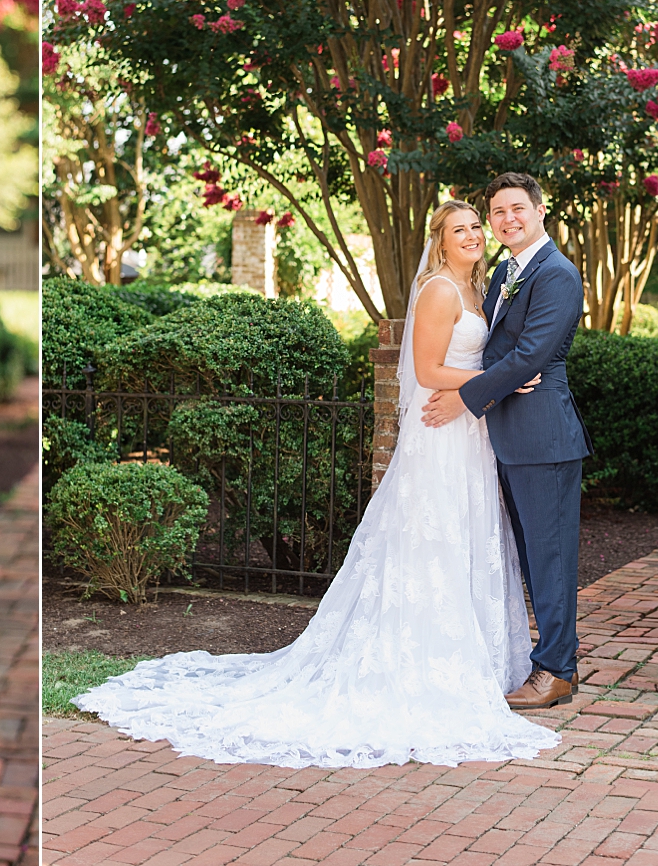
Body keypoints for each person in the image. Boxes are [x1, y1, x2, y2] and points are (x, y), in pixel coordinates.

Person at [73, 199, 559, 768]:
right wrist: (498, 380)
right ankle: (419, 661)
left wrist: (488, 385)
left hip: (468, 432)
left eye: (477, 226)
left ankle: (473, 659)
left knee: (469, 537)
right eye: (461, 229)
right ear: (440, 240)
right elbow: (426, 371)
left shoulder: (480, 288)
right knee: (435, 541)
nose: (475, 235)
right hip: (440, 435)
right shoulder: (439, 291)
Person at [422, 172, 592, 711]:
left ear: (540, 211)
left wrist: (465, 398)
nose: (506, 219)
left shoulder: (556, 274)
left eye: (517, 208)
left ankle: (557, 670)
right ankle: (545, 660)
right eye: (497, 211)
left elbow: (531, 355)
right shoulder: (502, 273)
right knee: (528, 557)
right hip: (505, 438)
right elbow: (495, 351)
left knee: (551, 560)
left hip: (544, 438)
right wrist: (486, 383)